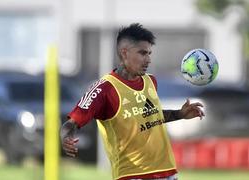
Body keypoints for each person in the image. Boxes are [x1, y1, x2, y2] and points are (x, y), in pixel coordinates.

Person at [60, 23, 205, 180]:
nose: (148, 59)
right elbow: (71, 123)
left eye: (149, 53)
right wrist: (66, 137)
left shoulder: (150, 81)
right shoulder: (105, 88)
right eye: (142, 53)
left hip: (167, 172)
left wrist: (180, 114)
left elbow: (148, 117)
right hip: (132, 175)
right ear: (124, 53)